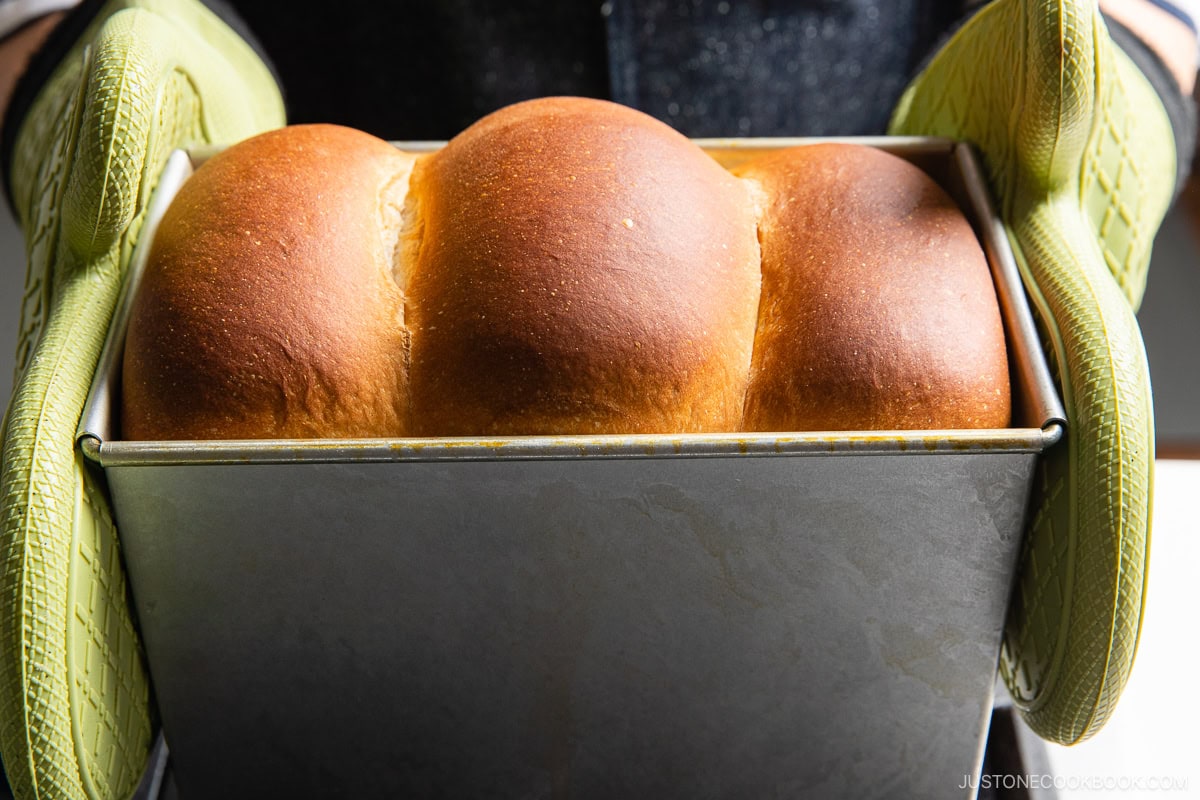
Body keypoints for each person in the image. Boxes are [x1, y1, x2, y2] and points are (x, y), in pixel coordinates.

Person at [0, 2, 1196, 799]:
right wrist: (75, 74)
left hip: (874, 248)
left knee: (914, 369)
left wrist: (1111, 104)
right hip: (295, 240)